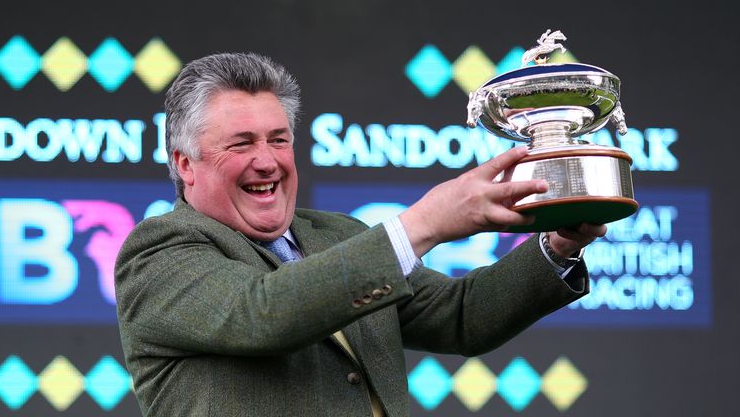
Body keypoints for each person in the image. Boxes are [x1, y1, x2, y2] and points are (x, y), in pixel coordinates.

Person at [115, 52, 605, 417]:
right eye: (241, 143)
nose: (267, 160)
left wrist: (559, 245)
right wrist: (424, 224)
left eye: (279, 140)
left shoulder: (336, 234)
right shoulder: (156, 255)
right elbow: (264, 312)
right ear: (185, 164)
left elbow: (460, 316)